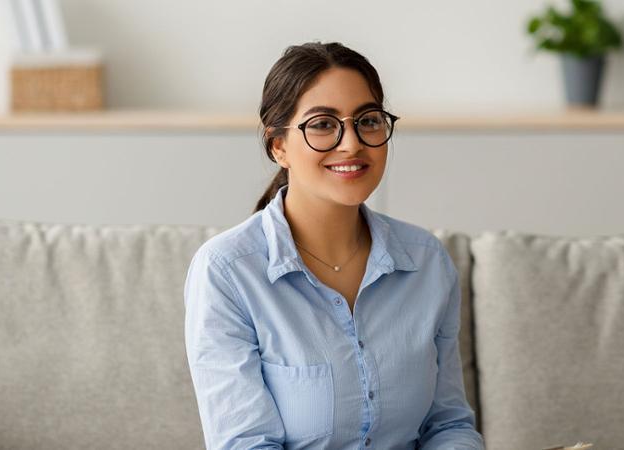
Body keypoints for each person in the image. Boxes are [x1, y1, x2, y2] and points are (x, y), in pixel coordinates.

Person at [184, 41, 484, 449]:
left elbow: (447, 425)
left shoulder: (426, 262)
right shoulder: (227, 271)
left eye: (368, 120)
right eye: (323, 124)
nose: (352, 143)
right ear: (279, 146)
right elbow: (246, 444)